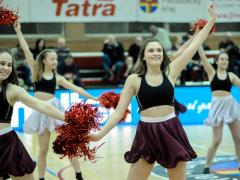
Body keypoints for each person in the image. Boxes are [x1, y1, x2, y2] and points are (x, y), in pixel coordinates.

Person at [89, 3, 217, 180]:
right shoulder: (133, 80)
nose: (155, 53)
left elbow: (194, 45)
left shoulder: (171, 71)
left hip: (172, 130)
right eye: (151, 50)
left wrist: (212, 20)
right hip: (146, 133)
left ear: (163, 55)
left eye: (159, 50)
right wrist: (99, 135)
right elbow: (118, 113)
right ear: (144, 56)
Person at [14, 21, 97, 180]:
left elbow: (76, 89)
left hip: (55, 110)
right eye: (52, 59)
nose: (55, 61)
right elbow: (26, 50)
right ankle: (41, 178)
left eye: (56, 59)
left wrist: (94, 98)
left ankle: (78, 175)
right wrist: (18, 31)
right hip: (41, 110)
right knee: (43, 150)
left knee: (68, 143)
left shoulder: (57, 77)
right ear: (44, 60)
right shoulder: (36, 71)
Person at [0, 48, 65, 180]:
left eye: (9, 65)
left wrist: (69, 118)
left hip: (6, 142)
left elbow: (42, 105)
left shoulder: (13, 90)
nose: (6, 68)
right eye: (2, 63)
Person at [198, 46, 240, 174]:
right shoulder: (211, 72)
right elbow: (203, 57)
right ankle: (207, 165)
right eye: (222, 59)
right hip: (217, 107)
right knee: (216, 140)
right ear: (217, 61)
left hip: (230, 106)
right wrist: (199, 42)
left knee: (238, 139)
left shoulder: (231, 75)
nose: (224, 61)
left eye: (226, 59)